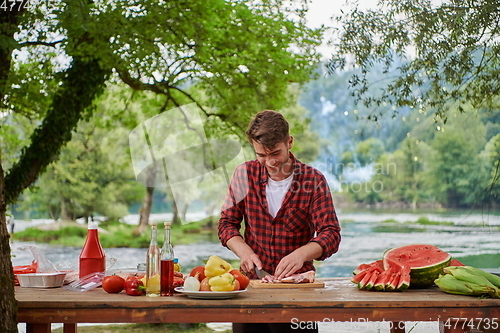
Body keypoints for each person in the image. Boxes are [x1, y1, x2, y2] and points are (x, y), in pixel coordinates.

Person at [218, 110, 341, 333]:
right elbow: (227, 224)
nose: (270, 162)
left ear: (289, 142)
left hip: (299, 293)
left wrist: (301, 254)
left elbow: (331, 233)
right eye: (261, 155)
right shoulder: (243, 174)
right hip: (251, 287)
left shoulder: (314, 180)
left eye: (275, 153)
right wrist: (245, 253)